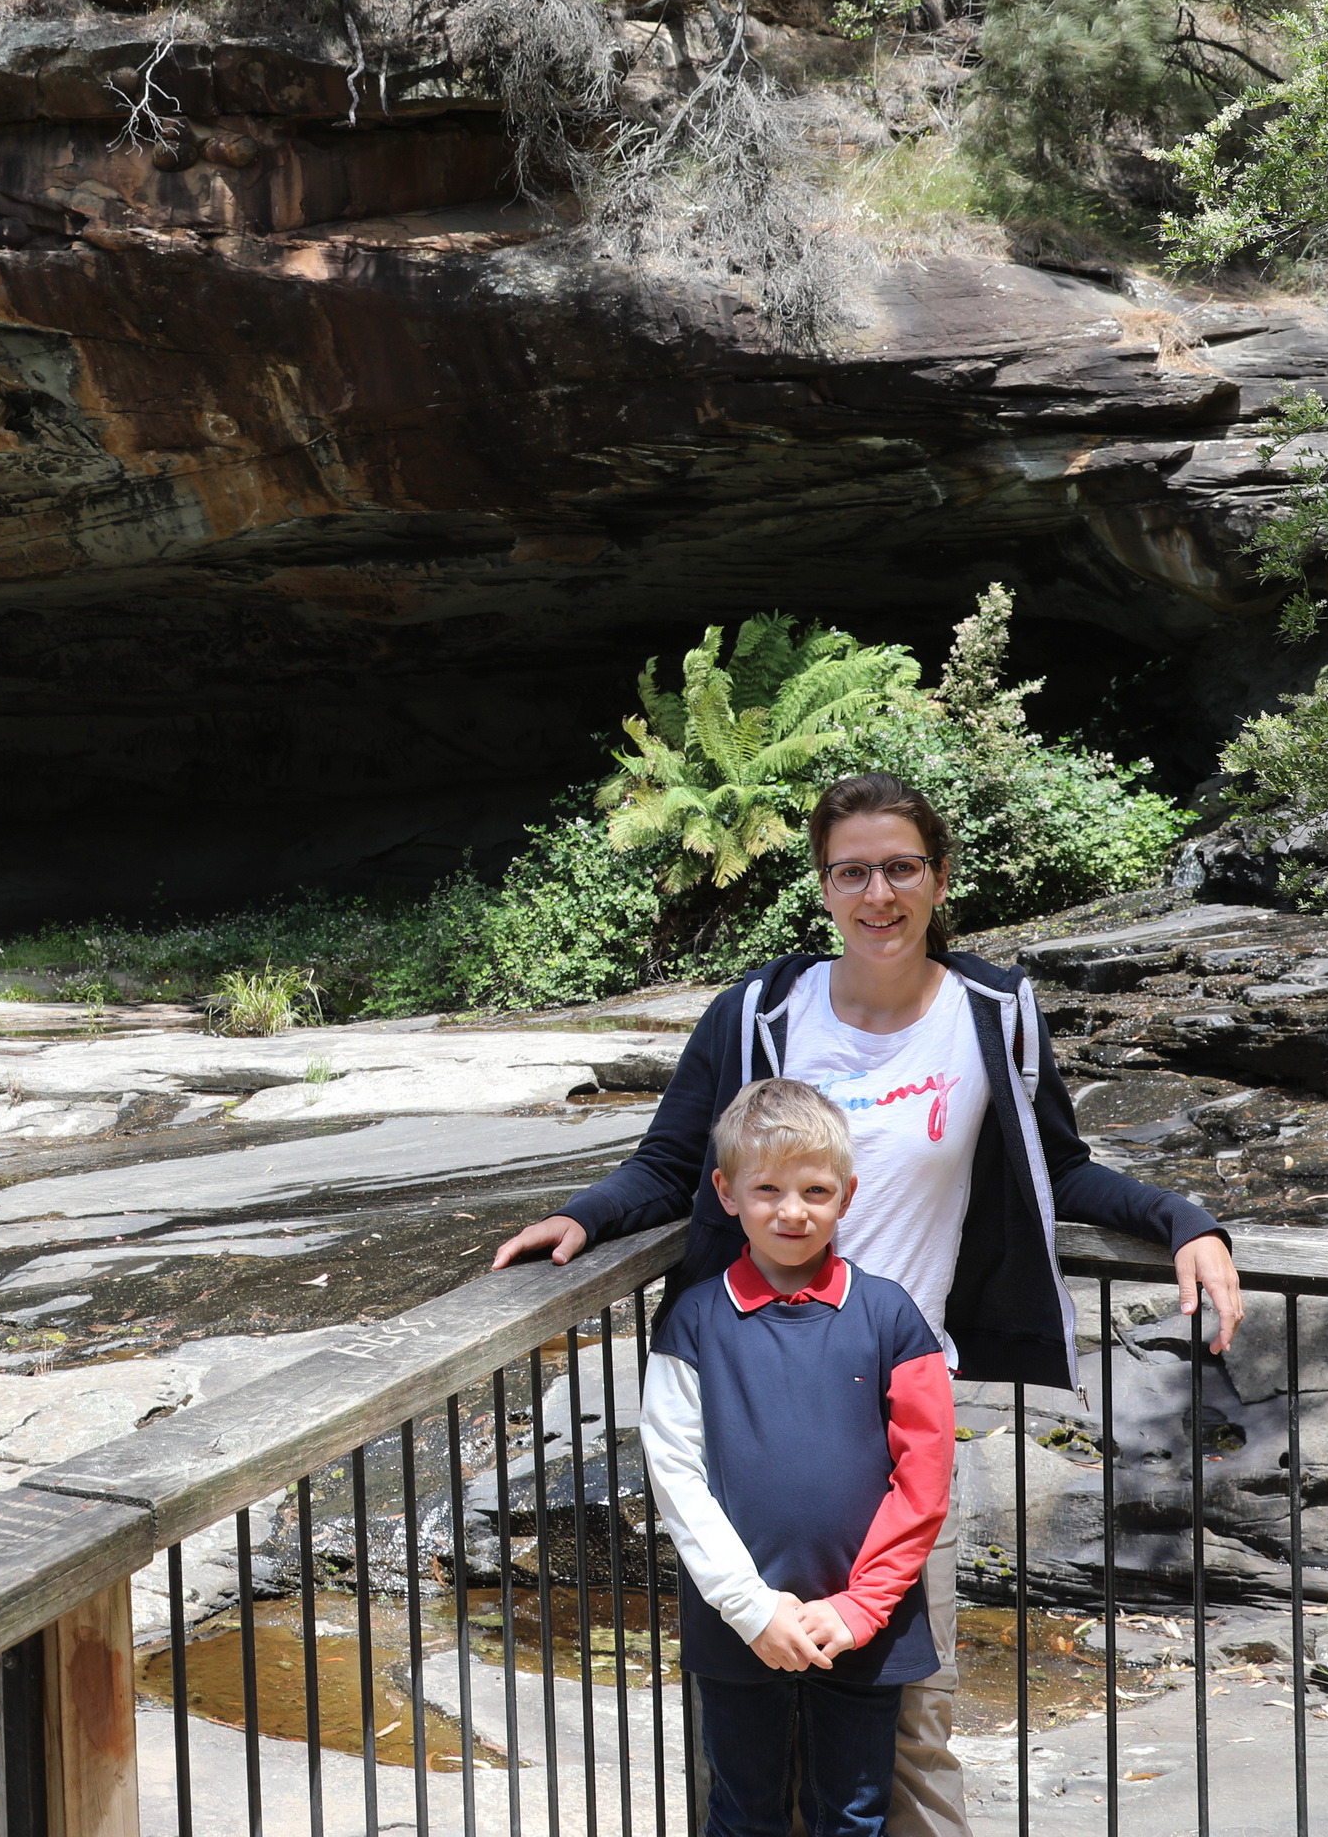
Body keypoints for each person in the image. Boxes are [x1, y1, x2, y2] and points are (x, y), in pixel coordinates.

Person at [493, 770, 1244, 1837]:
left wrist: (1185, 1217)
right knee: (752, 1722)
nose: (877, 893)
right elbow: (672, 1163)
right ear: (824, 885)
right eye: (852, 871)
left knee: (907, 1720)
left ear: (939, 878)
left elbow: (1056, 1171)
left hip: (899, 1402)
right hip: (751, 1397)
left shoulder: (994, 1013)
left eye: (900, 867)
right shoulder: (758, 1012)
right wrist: (583, 1219)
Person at [646, 1077, 952, 1837]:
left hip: (865, 1625)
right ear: (726, 1192)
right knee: (744, 1812)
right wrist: (752, 1609)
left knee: (852, 1813)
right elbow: (676, 1475)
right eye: (768, 1189)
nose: (792, 1211)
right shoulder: (693, 1321)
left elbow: (925, 1476)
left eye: (815, 1190)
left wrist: (860, 1607)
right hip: (738, 1623)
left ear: (846, 1195)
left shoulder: (890, 1316)